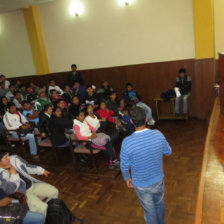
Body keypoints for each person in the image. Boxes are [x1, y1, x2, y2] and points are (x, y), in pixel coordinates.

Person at [120, 107, 172, 224]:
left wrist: (127, 178)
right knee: (159, 204)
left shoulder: (127, 142)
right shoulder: (158, 134)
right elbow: (168, 151)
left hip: (141, 184)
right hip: (158, 180)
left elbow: (124, 165)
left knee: (149, 211)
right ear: (146, 118)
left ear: (131, 122)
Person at [0, 151, 58, 216]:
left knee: (54, 191)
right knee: (42, 207)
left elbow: (27, 166)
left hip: (32, 185)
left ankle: (50, 211)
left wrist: (41, 171)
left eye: (8, 155)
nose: (9, 158)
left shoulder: (14, 159)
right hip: (23, 194)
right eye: (5, 157)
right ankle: (42, 218)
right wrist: (14, 174)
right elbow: (9, 191)